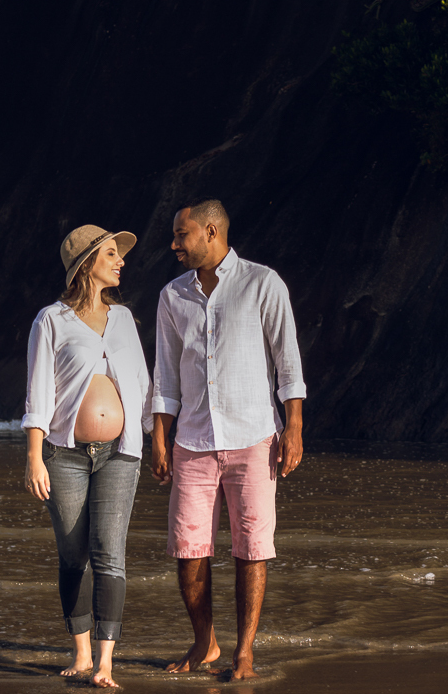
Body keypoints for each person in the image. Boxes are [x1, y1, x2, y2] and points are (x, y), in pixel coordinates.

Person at [150, 198, 306, 680]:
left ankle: (244, 652)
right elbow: (166, 376)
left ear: (212, 232)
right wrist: (159, 437)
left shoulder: (263, 283)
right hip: (192, 441)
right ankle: (206, 643)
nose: (174, 243)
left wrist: (294, 428)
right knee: (188, 550)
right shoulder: (172, 296)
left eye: (183, 234)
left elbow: (288, 363)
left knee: (251, 548)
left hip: (255, 437)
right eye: (175, 235)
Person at [22, 224, 152, 688]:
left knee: (110, 555)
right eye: (112, 254)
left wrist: (156, 442)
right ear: (86, 264)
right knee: (74, 555)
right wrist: (34, 458)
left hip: (120, 454)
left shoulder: (124, 319)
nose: (121, 261)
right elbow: (38, 392)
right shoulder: (51, 320)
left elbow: (142, 385)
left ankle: (105, 664)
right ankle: (79, 653)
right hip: (65, 455)